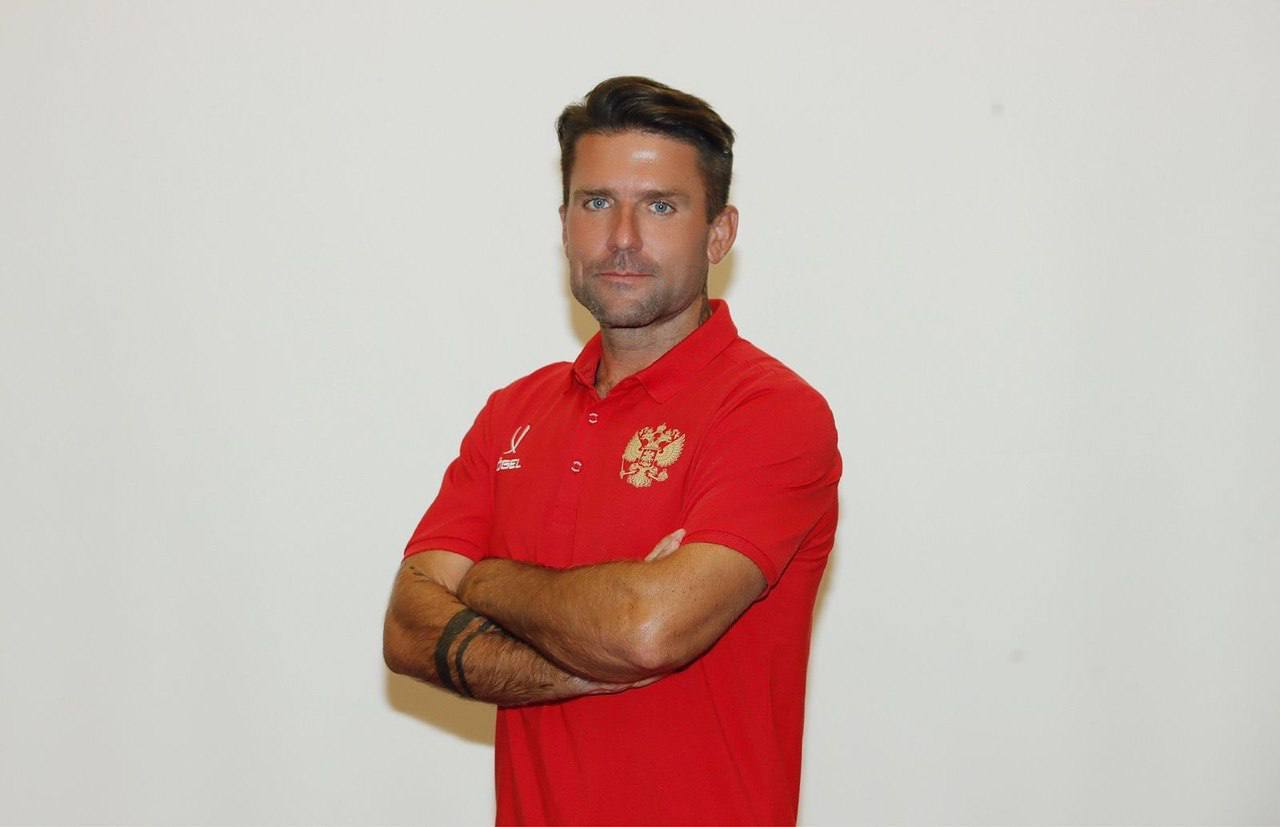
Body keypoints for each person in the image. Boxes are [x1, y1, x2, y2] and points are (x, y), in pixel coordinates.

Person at [384, 76, 841, 826]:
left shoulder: (771, 413)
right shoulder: (513, 414)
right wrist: (585, 657)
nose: (622, 237)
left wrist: (486, 580)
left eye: (660, 206)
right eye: (596, 202)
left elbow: (646, 630)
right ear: (564, 224)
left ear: (719, 233)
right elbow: (406, 626)